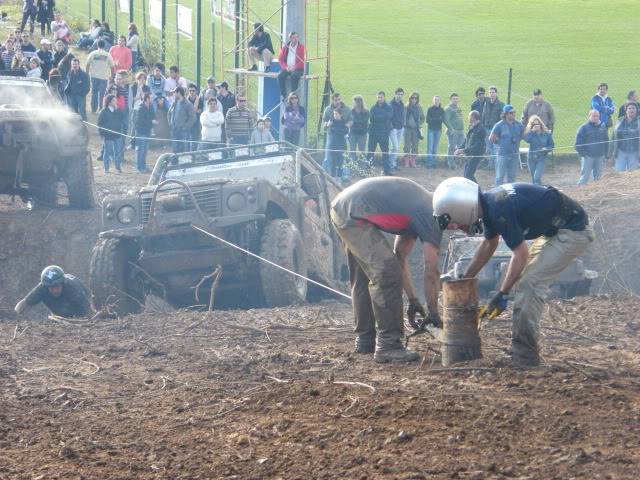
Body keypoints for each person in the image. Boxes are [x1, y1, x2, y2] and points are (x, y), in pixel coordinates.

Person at [433, 177, 594, 367]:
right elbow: (489, 244)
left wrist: (502, 293)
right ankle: (522, 347)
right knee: (524, 279)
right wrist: (465, 278)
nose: (459, 227)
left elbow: (520, 254)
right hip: (556, 230)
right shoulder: (489, 204)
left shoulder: (499, 210)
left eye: (457, 223)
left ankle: (526, 354)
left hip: (574, 232)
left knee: (530, 283)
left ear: (463, 209)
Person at [330, 177, 443, 363]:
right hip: (354, 213)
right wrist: (433, 313)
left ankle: (366, 340)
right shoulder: (430, 214)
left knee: (365, 275)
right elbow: (431, 271)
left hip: (344, 208)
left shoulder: (418, 207)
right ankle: (389, 345)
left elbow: (400, 257)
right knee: (386, 273)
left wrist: (413, 300)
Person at [14, 266, 92, 319]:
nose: (55, 290)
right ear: (46, 286)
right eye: (51, 287)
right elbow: (23, 303)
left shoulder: (73, 289)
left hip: (79, 312)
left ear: (63, 283)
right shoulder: (42, 288)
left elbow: (89, 310)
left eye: (57, 286)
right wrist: (15, 315)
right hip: (59, 316)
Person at [490, 104, 524, 185]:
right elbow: (491, 138)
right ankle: (497, 196)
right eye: (511, 113)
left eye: (514, 112)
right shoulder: (499, 125)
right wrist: (501, 143)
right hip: (502, 155)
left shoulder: (519, 125)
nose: (513, 114)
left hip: (514, 154)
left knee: (512, 178)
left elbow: (522, 136)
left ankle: (510, 195)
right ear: (505, 114)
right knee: (499, 177)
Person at [575, 110, 609, 185]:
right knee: (584, 177)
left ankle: (596, 192)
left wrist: (606, 154)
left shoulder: (603, 127)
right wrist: (584, 154)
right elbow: (577, 144)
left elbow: (606, 141)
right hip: (588, 157)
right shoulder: (583, 128)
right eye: (593, 116)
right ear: (589, 117)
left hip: (600, 156)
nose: (596, 118)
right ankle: (580, 191)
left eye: (597, 116)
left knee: (598, 177)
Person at [322, 93, 352, 172]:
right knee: (328, 156)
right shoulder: (328, 109)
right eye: (336, 100)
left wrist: (348, 125)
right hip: (331, 136)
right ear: (333, 100)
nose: (338, 101)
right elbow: (324, 121)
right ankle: (327, 173)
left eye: (339, 99)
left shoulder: (347, 109)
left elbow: (351, 120)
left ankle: (344, 176)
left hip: (343, 136)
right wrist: (327, 124)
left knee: (343, 157)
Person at [454, 110, 486, 183]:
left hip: (475, 155)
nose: (468, 118)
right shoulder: (472, 127)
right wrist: (460, 148)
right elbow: (467, 140)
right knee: (466, 175)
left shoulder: (480, 129)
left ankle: (478, 192)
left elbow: (478, 146)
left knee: (468, 175)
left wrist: (463, 151)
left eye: (469, 116)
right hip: (470, 155)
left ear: (473, 117)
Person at [367, 91, 393, 175]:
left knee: (385, 152)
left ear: (384, 97)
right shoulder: (373, 107)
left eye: (381, 97)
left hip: (384, 133)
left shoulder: (389, 107)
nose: (380, 99)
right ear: (377, 98)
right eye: (378, 97)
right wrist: (382, 118)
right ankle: (368, 169)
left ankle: (387, 170)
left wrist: (378, 118)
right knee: (370, 152)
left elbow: (388, 117)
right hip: (373, 133)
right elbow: (371, 118)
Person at [98, 94, 125, 173]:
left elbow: (121, 119)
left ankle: (118, 167)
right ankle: (106, 168)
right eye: (114, 100)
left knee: (117, 152)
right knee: (107, 152)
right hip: (108, 136)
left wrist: (118, 111)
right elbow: (100, 125)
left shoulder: (117, 111)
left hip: (117, 134)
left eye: (115, 100)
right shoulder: (103, 112)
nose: (115, 102)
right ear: (109, 102)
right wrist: (102, 135)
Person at [85, 39, 114, 114]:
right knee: (102, 94)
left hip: (94, 76)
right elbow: (112, 66)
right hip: (104, 77)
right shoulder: (108, 55)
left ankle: (93, 109)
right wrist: (112, 76)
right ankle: (101, 109)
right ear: (104, 46)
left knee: (94, 92)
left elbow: (87, 64)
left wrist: (87, 74)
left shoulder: (93, 53)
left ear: (97, 45)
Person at [524, 115, 554, 184]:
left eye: (537, 124)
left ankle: (539, 189)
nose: (536, 126)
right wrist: (532, 131)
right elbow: (527, 140)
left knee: (536, 177)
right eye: (534, 124)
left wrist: (546, 148)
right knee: (534, 179)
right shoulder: (530, 134)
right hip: (531, 158)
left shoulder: (546, 134)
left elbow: (551, 145)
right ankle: (538, 191)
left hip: (541, 158)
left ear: (540, 124)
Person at [611, 102, 640, 172]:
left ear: (636, 110)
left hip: (635, 152)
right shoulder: (620, 121)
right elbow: (613, 136)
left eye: (633, 108)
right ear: (626, 110)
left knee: (633, 174)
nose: (631, 110)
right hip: (621, 151)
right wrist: (610, 152)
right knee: (619, 173)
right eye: (629, 108)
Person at [481, 86, 505, 167]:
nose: (491, 94)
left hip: (495, 130)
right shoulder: (486, 103)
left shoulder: (501, 104)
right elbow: (483, 115)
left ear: (496, 93)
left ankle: (496, 165)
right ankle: (491, 165)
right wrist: (483, 126)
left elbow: (502, 118)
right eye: (490, 92)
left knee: (495, 148)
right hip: (486, 129)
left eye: (493, 92)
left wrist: (499, 130)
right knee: (489, 148)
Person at [167, 86, 195, 154]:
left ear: (179, 93)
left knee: (184, 151)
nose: (174, 94)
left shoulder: (188, 104)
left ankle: (184, 164)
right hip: (175, 130)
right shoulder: (175, 102)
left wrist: (185, 127)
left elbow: (193, 118)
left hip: (183, 132)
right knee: (175, 150)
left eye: (174, 92)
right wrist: (170, 124)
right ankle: (175, 164)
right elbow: (169, 113)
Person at [277, 31, 305, 99]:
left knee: (294, 76)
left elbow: (302, 61)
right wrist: (286, 67)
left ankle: (293, 96)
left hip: (298, 69)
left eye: (296, 37)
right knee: (280, 76)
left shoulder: (302, 48)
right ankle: (283, 94)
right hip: (288, 68)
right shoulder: (285, 48)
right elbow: (280, 59)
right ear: (290, 39)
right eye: (293, 37)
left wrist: (295, 67)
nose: (295, 39)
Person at [402, 92, 425, 168]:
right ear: (410, 98)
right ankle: (406, 162)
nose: (414, 99)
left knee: (415, 146)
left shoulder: (419, 107)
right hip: (407, 129)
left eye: (416, 98)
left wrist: (419, 124)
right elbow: (403, 117)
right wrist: (405, 124)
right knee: (407, 146)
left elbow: (422, 118)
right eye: (412, 98)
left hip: (415, 129)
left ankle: (413, 161)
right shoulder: (406, 107)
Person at [133, 93, 155, 172]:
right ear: (147, 99)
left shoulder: (151, 107)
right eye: (151, 98)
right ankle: (139, 167)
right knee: (141, 150)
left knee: (145, 150)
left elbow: (153, 115)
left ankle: (144, 165)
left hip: (147, 131)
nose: (152, 99)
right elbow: (140, 121)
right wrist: (151, 121)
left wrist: (153, 121)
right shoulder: (140, 108)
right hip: (141, 132)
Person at [326, 109, 349, 179]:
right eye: (334, 114)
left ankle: (339, 177)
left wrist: (335, 130)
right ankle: (332, 177)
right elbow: (330, 132)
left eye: (336, 114)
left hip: (342, 145)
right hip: (333, 145)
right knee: (333, 162)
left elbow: (345, 132)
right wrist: (328, 126)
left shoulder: (344, 122)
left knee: (340, 162)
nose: (335, 115)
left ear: (340, 114)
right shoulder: (331, 122)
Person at [444, 93, 464, 169]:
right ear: (450, 99)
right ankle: (451, 164)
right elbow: (446, 119)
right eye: (454, 99)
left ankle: (459, 163)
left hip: (461, 131)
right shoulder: (448, 108)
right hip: (453, 131)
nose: (455, 100)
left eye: (456, 98)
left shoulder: (458, 108)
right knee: (451, 147)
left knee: (461, 147)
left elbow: (460, 119)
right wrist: (450, 129)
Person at [425, 95, 444, 168]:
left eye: (438, 100)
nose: (436, 101)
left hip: (438, 130)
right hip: (431, 130)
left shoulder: (441, 110)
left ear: (440, 101)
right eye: (435, 100)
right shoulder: (430, 109)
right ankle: (429, 164)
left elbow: (441, 120)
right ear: (433, 101)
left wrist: (434, 119)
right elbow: (428, 120)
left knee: (435, 148)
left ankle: (433, 163)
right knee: (430, 147)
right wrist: (437, 119)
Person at [348, 95, 368, 163]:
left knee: (362, 151)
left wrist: (353, 122)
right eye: (354, 101)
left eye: (357, 101)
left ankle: (362, 168)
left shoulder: (366, 111)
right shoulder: (351, 111)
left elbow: (363, 121)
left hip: (362, 134)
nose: (355, 103)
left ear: (360, 102)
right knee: (352, 151)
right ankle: (352, 167)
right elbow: (349, 121)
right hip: (352, 134)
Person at [389, 87, 405, 171]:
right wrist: (391, 127)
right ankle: (390, 164)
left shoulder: (402, 104)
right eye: (398, 94)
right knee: (395, 147)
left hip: (400, 128)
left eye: (401, 94)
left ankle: (393, 164)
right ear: (395, 94)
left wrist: (403, 125)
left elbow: (402, 115)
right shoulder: (390, 104)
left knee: (396, 147)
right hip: (393, 129)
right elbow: (389, 117)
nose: (399, 96)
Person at [186, 84, 203, 150]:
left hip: (196, 123)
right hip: (187, 123)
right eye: (190, 91)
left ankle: (193, 155)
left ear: (196, 91)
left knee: (194, 139)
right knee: (187, 140)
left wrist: (194, 111)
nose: (191, 92)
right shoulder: (186, 100)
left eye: (193, 90)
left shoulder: (200, 100)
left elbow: (199, 111)